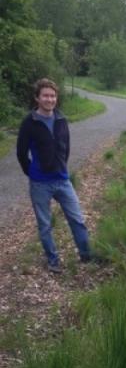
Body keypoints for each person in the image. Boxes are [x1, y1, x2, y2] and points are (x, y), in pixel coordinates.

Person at [17, 78, 92, 273]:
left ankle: (86, 255)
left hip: (62, 180)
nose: (50, 99)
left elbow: (65, 147)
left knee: (77, 219)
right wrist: (32, 171)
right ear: (37, 98)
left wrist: (61, 166)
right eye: (45, 96)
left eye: (53, 95)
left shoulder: (61, 119)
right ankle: (53, 260)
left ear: (56, 98)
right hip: (40, 183)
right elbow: (21, 152)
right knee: (45, 225)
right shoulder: (29, 122)